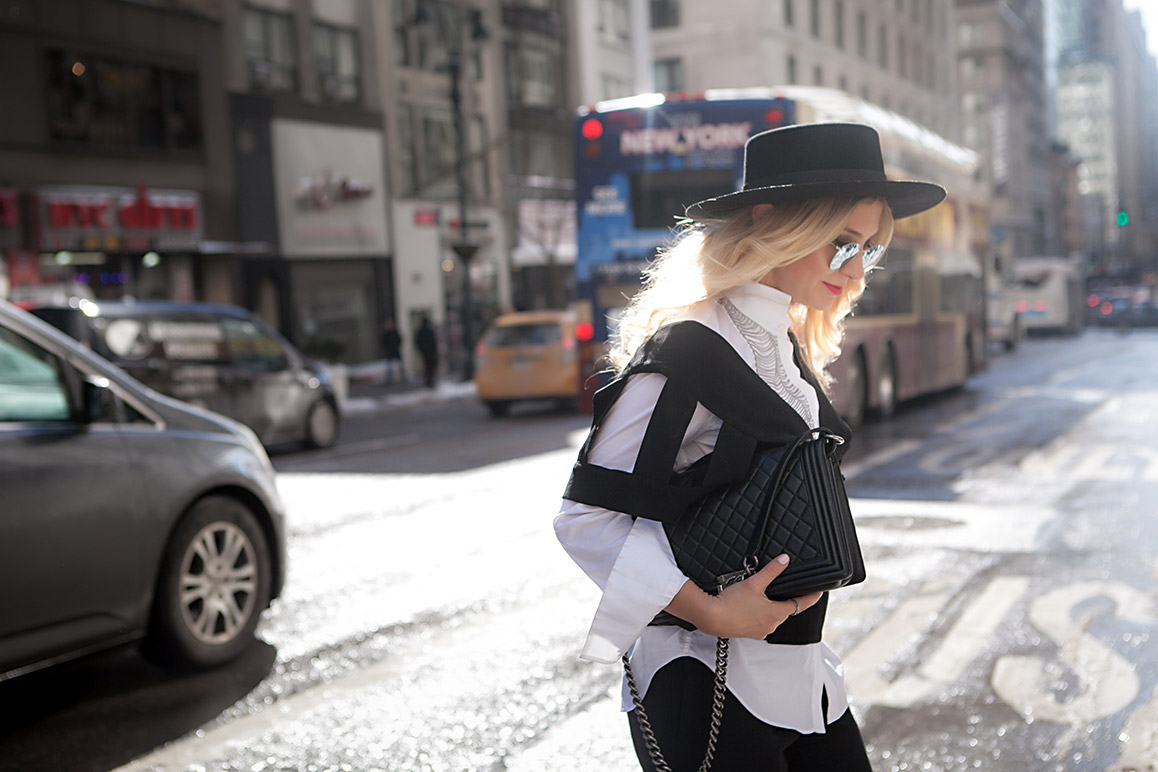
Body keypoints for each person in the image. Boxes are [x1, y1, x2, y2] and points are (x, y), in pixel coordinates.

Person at [555, 123, 946, 771]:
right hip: (707, 681)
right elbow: (586, 516)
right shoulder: (689, 345)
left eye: (869, 251)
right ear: (774, 223)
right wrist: (708, 611)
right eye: (841, 245)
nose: (855, 272)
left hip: (799, 680)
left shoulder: (784, 340)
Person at [414, 315, 439, 388]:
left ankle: (428, 381)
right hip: (430, 352)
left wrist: (421, 349)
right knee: (430, 367)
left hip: (425, 352)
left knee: (427, 367)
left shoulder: (420, 331)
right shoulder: (429, 330)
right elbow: (433, 342)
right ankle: (430, 381)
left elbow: (417, 341)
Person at [380, 318, 404, 384]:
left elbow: (399, 340)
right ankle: (389, 379)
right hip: (390, 352)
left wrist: (396, 346)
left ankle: (403, 377)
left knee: (400, 365)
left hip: (395, 351)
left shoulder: (394, 332)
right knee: (389, 367)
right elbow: (383, 342)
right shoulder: (387, 334)